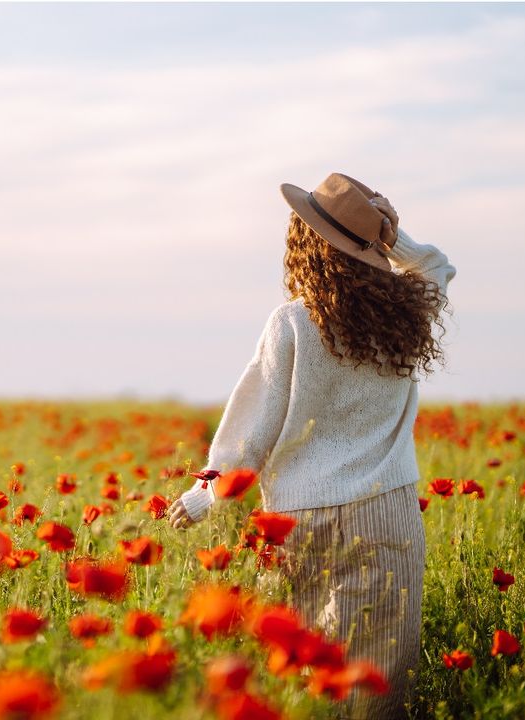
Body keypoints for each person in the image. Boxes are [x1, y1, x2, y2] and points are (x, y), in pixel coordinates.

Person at [169, 172, 456, 719]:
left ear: (308, 246)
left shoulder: (293, 323)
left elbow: (257, 423)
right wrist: (394, 240)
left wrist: (209, 494)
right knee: (378, 680)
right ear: (369, 248)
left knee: (304, 676)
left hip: (300, 519)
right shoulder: (407, 313)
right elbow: (438, 266)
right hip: (385, 510)